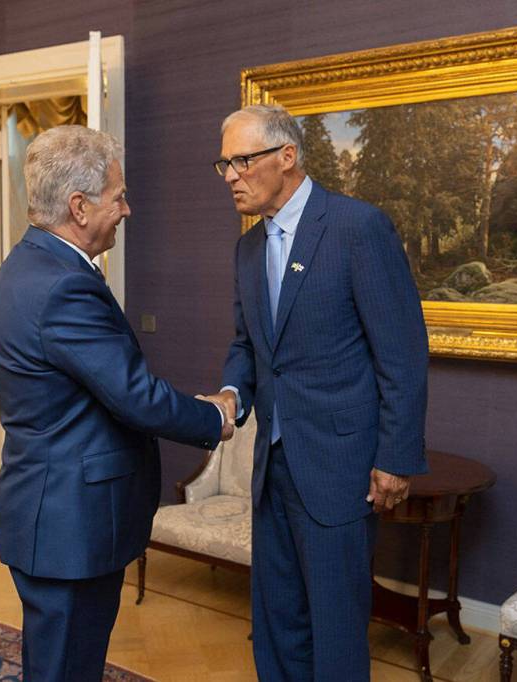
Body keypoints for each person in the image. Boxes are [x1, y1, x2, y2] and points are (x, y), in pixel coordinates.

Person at [0, 124, 234, 682]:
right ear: (78, 206)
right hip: (70, 521)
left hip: (55, 511)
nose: (127, 209)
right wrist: (212, 417)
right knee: (65, 669)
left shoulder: (33, 266)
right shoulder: (61, 286)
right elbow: (136, 397)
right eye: (118, 196)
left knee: (64, 664)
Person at [203, 104, 429, 680]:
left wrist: (395, 459)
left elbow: (401, 354)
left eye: (241, 160)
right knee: (276, 619)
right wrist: (232, 393)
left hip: (339, 467)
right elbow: (247, 345)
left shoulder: (358, 227)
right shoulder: (247, 249)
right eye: (223, 163)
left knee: (334, 624)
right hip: (270, 465)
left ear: (287, 157)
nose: (230, 175)